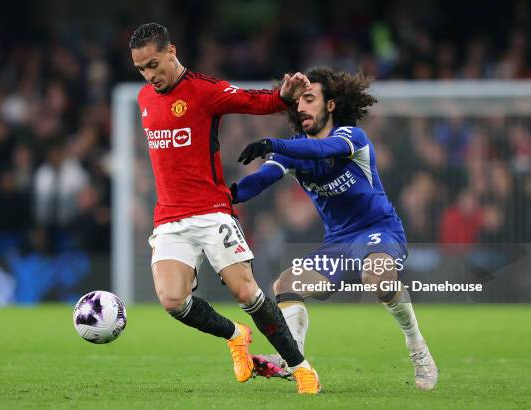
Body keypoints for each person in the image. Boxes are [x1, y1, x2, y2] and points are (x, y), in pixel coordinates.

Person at [130, 23, 321, 394]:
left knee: (246, 292)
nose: (149, 75)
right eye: (141, 69)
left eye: (154, 64)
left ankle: (301, 368)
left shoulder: (204, 91)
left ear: (171, 52)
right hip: (169, 216)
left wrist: (283, 95)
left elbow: (256, 101)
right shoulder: (143, 99)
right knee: (172, 300)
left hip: (212, 210)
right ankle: (236, 336)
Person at [233, 67, 438, 391]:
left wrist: (273, 143)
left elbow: (323, 150)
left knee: (379, 278)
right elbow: (260, 180)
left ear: (330, 105)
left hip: (379, 230)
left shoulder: (350, 137)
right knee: (286, 284)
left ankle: (417, 346)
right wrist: (224, 195)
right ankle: (292, 357)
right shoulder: (293, 151)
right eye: (297, 101)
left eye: (309, 98)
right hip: (339, 244)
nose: (300, 107)